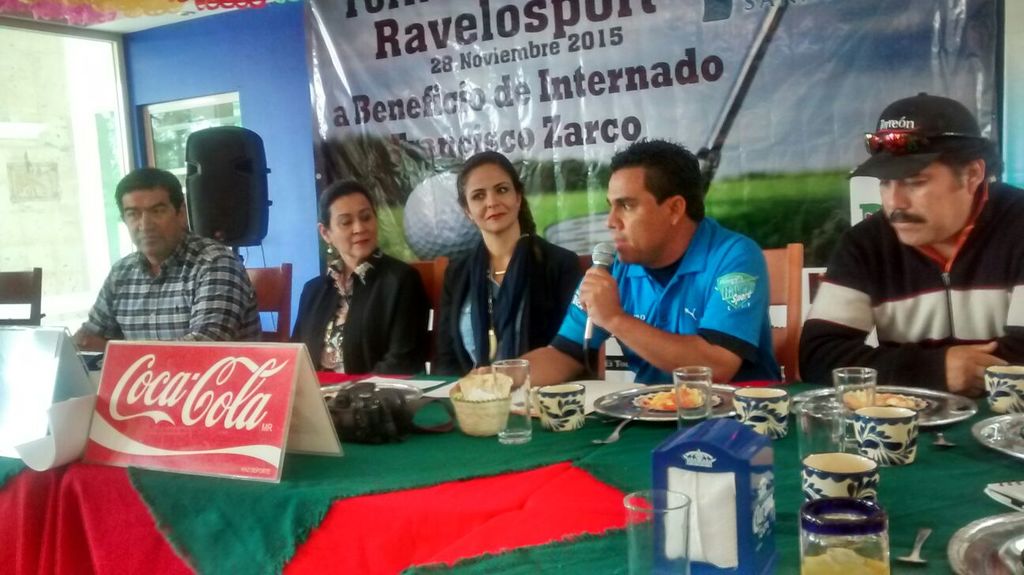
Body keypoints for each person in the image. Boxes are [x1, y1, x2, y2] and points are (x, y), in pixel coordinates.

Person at [800, 93, 1024, 396]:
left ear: (972, 175)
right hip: (912, 422)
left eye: (915, 181)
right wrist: (933, 371)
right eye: (885, 183)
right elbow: (818, 357)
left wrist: (901, 372)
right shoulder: (867, 243)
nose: (895, 203)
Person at [522, 139, 781, 386]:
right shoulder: (612, 267)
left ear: (674, 209)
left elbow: (717, 366)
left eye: (626, 206)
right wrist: (505, 377)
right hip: (650, 411)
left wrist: (615, 318)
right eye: (611, 206)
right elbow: (563, 354)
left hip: (737, 412)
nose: (610, 221)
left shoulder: (734, 255)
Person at [74, 168, 259, 350]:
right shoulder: (121, 272)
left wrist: (126, 355)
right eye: (133, 214)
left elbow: (204, 348)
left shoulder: (216, 263)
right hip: (143, 371)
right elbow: (91, 338)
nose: (145, 225)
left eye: (157, 211)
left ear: (181, 213)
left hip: (209, 370)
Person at [434, 151, 583, 376]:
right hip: (473, 393)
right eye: (478, 196)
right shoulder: (457, 273)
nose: (492, 202)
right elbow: (446, 360)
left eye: (502, 190)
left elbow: (572, 353)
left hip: (539, 390)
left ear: (518, 197)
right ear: (467, 211)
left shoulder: (559, 264)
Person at [292, 179, 429, 374]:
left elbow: (402, 361)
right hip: (316, 391)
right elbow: (296, 357)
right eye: (346, 222)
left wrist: (354, 390)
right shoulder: (313, 290)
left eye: (366, 217)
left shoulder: (401, 281)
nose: (359, 228)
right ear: (326, 233)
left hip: (373, 392)